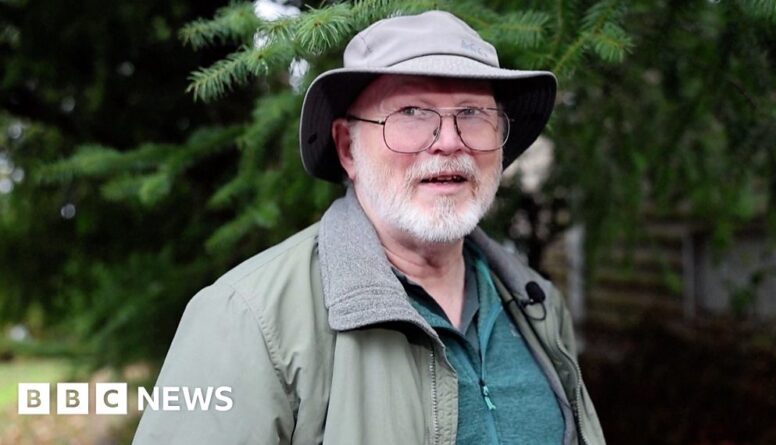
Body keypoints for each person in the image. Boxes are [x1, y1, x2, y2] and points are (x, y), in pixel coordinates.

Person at [133, 10, 605, 445]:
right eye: (411, 113)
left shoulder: (538, 305)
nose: (447, 142)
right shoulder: (248, 319)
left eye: (472, 113)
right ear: (346, 147)